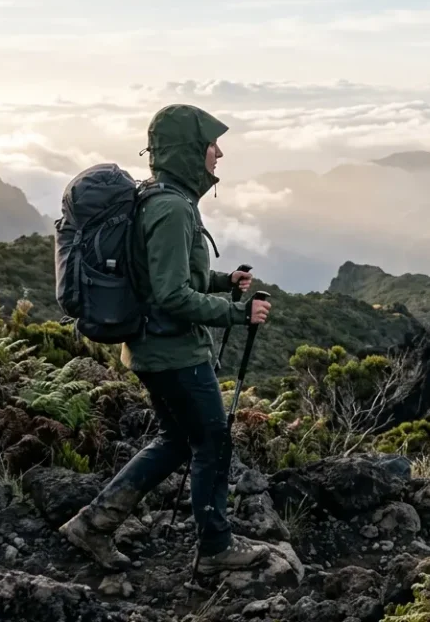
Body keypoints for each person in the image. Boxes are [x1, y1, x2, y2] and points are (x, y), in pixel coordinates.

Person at [59, 103, 275, 575]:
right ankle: (216, 547)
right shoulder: (173, 208)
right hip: (173, 350)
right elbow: (173, 295)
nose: (219, 153)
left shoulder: (156, 197)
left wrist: (223, 280)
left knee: (178, 440)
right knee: (213, 442)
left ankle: (94, 523)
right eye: (211, 144)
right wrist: (239, 314)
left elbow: (164, 274)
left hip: (149, 346)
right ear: (188, 148)